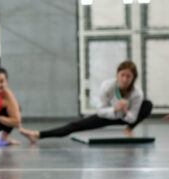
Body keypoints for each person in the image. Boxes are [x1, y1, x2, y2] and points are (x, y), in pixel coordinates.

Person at [21, 61, 152, 143]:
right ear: (117, 75)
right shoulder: (108, 86)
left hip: (125, 118)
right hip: (107, 115)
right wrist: (115, 110)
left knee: (147, 105)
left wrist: (124, 112)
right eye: (122, 75)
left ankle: (129, 130)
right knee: (74, 125)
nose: (124, 79)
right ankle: (38, 135)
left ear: (133, 78)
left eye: (128, 76)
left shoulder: (137, 93)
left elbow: (133, 117)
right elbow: (100, 110)